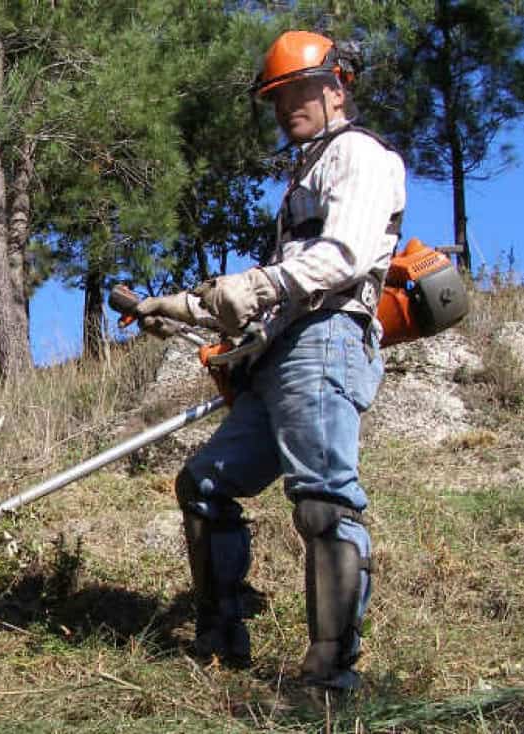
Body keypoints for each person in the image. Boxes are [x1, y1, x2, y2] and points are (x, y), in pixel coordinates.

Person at [132, 30, 405, 691]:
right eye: (277, 97)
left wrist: (257, 284)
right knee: (203, 484)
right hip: (280, 352)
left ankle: (330, 676)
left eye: (299, 91)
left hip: (327, 339)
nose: (286, 107)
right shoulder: (305, 174)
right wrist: (178, 308)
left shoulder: (360, 156)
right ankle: (222, 640)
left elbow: (344, 256)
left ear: (337, 87)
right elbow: (267, 294)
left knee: (323, 502)